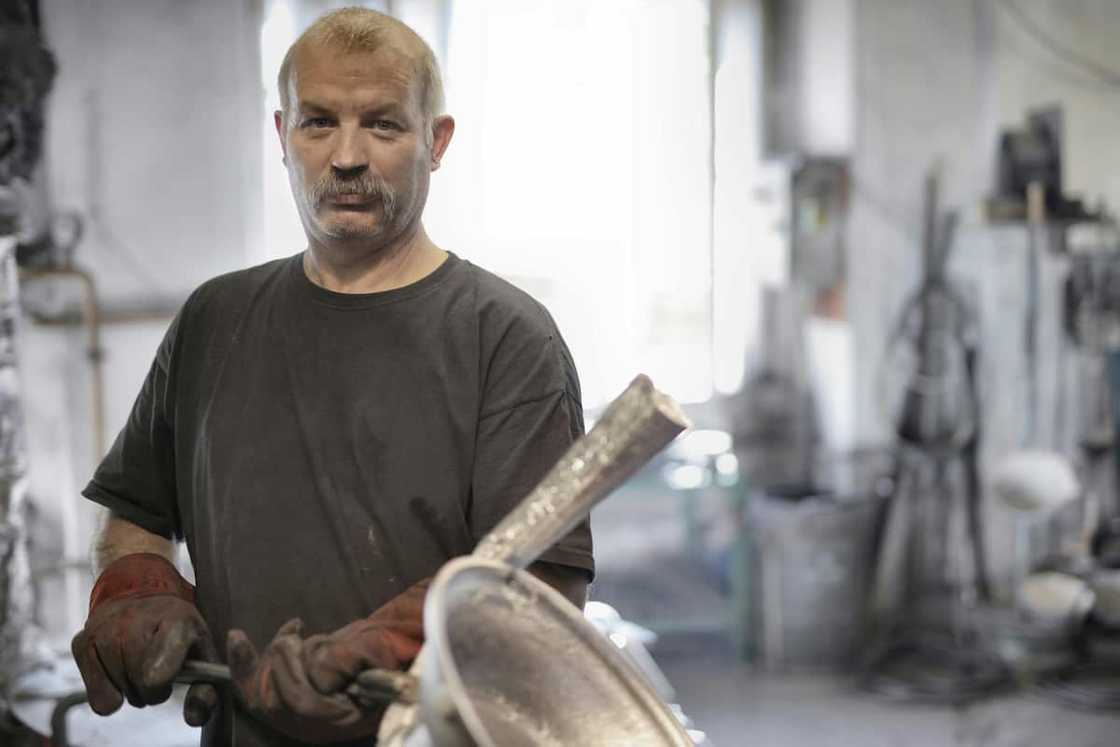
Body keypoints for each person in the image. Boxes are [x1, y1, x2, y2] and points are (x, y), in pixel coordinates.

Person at [69, 8, 594, 746]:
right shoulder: (214, 319)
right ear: (282, 134)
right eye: (318, 123)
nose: (346, 157)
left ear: (436, 141)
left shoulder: (505, 337)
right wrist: (136, 589)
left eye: (383, 125)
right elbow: (137, 513)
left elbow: (543, 588)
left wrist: (390, 647)